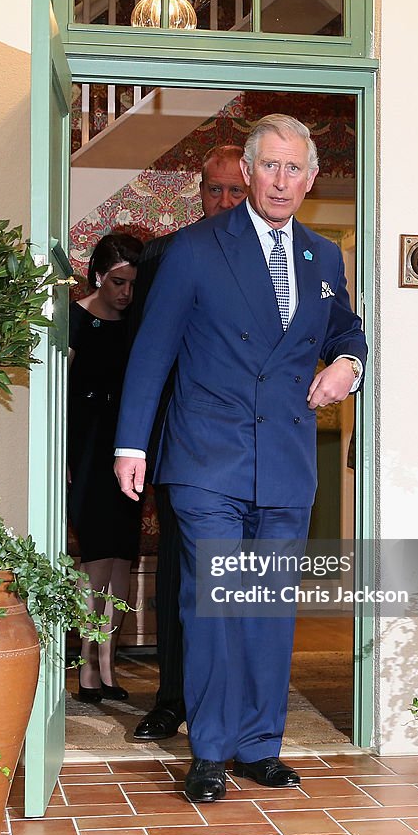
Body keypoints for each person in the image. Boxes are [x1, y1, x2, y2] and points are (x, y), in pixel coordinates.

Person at [114, 115, 367, 803]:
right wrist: (131, 442)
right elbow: (154, 350)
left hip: (283, 457)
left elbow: (344, 326)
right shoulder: (193, 249)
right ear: (248, 173)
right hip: (205, 457)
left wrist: (348, 362)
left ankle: (260, 747)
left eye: (295, 169)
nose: (282, 180)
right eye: (270, 167)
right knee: (215, 603)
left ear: (311, 179)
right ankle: (211, 750)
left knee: (268, 604)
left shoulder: (322, 255)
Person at [131, 145, 248, 741]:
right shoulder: (165, 254)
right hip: (182, 444)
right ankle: (171, 699)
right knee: (182, 574)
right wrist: (140, 444)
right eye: (214, 190)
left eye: (235, 191)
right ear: (198, 192)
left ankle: (235, 712)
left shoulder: (276, 257)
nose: (224, 201)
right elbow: (147, 352)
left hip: (250, 446)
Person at [68, 230, 144, 702]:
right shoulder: (73, 318)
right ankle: (88, 668)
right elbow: (58, 390)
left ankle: (110, 665)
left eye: (133, 284)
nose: (125, 293)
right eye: (118, 282)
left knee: (122, 560)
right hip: (86, 447)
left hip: (127, 446)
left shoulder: (137, 323)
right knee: (95, 559)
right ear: (99, 275)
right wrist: (63, 456)